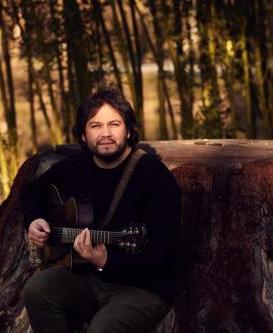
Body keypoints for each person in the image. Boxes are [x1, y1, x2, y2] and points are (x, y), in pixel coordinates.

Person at [21, 88, 181, 333]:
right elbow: (33, 190)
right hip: (88, 276)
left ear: (128, 131)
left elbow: (163, 252)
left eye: (114, 124)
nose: (105, 134)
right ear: (84, 135)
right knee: (38, 289)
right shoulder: (76, 166)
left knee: (102, 329)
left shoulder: (154, 176)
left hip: (144, 288)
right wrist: (34, 220)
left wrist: (107, 261)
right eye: (95, 126)